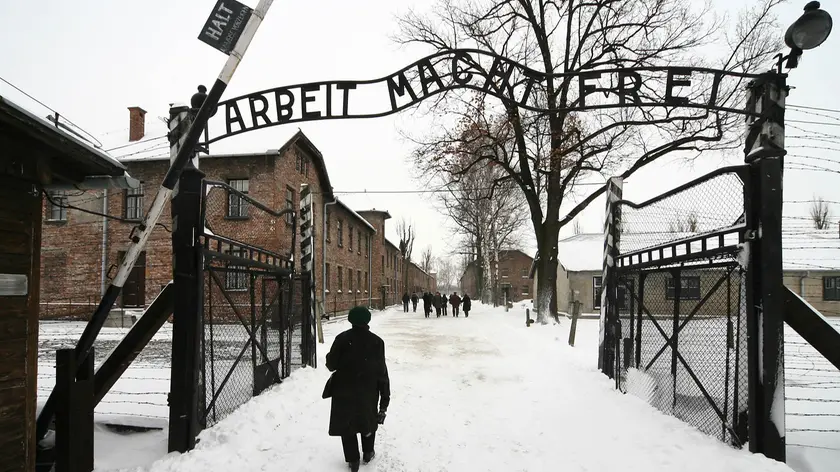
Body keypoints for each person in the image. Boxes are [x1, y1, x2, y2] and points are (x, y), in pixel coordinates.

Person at [326, 306, 390, 472]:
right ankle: (368, 452)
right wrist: (384, 397)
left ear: (350, 320)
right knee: (367, 419)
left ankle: (353, 460)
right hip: (368, 388)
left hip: (344, 388)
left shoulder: (341, 339)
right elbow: (381, 371)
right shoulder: (377, 342)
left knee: (347, 423)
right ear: (367, 320)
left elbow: (331, 365)